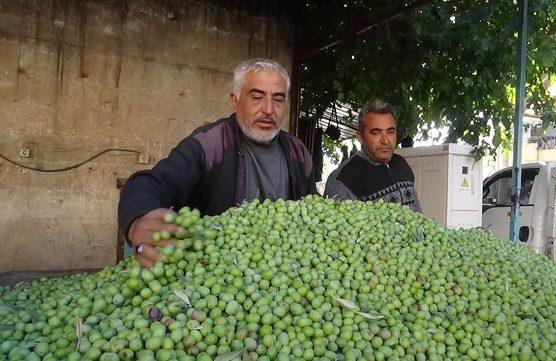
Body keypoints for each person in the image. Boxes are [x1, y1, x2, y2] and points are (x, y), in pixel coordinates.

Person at [118, 58, 317, 267]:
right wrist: (138, 220)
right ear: (235, 100)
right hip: (214, 273)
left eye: (278, 99)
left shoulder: (298, 153)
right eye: (257, 97)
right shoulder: (210, 145)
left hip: (284, 275)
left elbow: (314, 211)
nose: (268, 109)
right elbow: (150, 182)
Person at [324, 99, 421, 212]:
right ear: (360, 136)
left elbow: (418, 214)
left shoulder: (401, 163)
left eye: (390, 132)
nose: (385, 140)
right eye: (376, 133)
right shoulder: (343, 180)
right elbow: (338, 227)